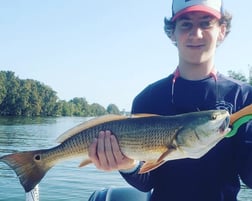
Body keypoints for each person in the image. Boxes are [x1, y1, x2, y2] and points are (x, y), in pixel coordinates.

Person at [88, 0, 252, 200]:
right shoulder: (148, 98)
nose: (196, 33)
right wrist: (127, 165)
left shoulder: (243, 97)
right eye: (186, 24)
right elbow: (149, 181)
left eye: (206, 23)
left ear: (222, 30)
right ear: (172, 32)